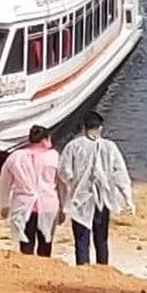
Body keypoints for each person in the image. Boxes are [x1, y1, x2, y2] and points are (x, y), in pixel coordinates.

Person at [57, 111, 135, 266]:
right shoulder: (109, 147)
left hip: (80, 198)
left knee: (81, 238)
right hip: (103, 198)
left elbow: (64, 172)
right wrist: (128, 198)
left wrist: (70, 188)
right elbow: (120, 174)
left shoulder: (73, 146)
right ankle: (102, 267)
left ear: (84, 127)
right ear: (100, 128)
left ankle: (83, 267)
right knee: (101, 238)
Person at [0, 125, 61, 257]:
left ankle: (28, 270)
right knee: (46, 243)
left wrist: (4, 204)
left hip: (23, 204)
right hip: (48, 204)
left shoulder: (16, 157)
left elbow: (5, 182)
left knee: (26, 244)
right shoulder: (54, 157)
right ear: (45, 140)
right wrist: (63, 205)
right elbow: (62, 183)